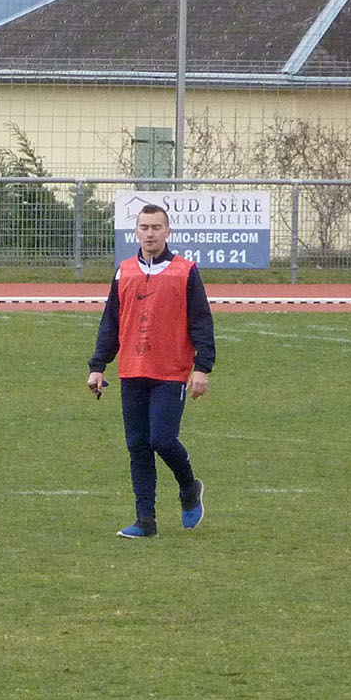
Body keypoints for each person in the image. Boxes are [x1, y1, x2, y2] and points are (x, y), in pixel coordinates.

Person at [86, 203, 214, 538]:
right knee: (138, 446)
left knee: (162, 439)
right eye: (144, 227)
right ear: (136, 232)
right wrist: (98, 366)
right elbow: (111, 322)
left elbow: (201, 321)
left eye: (156, 227)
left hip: (170, 372)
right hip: (132, 370)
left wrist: (202, 367)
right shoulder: (124, 271)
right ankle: (146, 521)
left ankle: (189, 487)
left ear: (167, 231)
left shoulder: (185, 271)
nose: (150, 233)